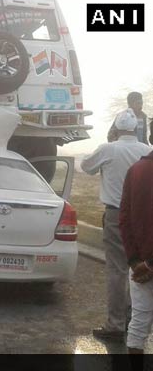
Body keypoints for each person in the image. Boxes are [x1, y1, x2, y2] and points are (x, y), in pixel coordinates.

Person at [82, 109, 152, 341]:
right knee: (140, 266)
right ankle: (135, 320)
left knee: (117, 269)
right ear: (135, 129)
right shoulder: (145, 150)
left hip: (115, 216)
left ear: (115, 129)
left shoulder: (108, 149)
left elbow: (86, 167)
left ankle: (115, 324)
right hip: (142, 215)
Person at [120, 148, 153, 354]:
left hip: (139, 265)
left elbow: (124, 219)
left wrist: (135, 262)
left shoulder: (135, 170)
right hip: (145, 264)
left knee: (138, 325)